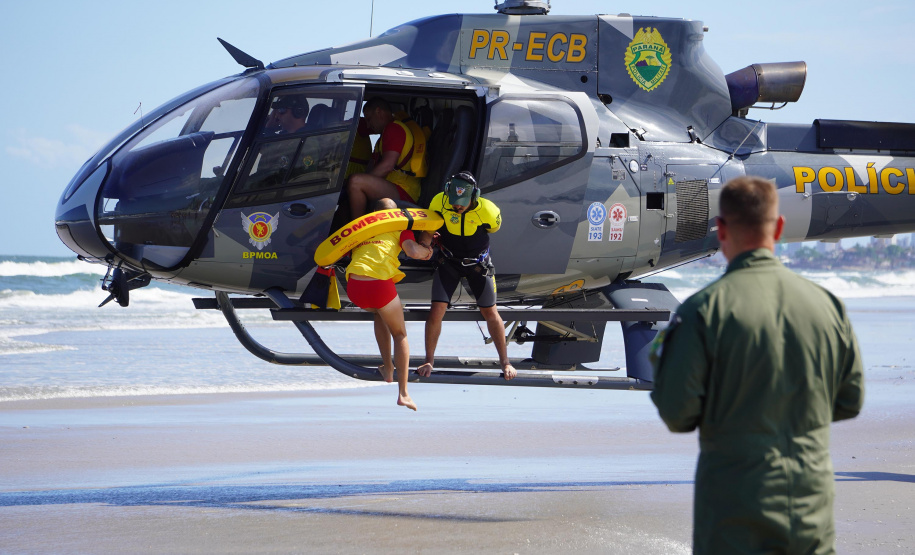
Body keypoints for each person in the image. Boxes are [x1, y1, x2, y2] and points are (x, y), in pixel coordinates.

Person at [650, 176, 864, 554]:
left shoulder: (704, 311)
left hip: (735, 512)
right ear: (779, 227)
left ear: (720, 229)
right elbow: (849, 401)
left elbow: (677, 413)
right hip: (810, 508)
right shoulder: (827, 306)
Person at [417, 172, 517, 381]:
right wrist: (425, 245)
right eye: (454, 202)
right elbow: (428, 228)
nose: (457, 206)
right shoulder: (439, 201)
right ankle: (429, 360)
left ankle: (506, 361)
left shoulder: (488, 210)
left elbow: (493, 229)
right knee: (436, 310)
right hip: (449, 262)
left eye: (462, 203)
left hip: (478, 265)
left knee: (490, 312)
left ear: (475, 196)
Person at [345, 198, 434, 411]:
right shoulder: (399, 228)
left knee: (379, 313)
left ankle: (388, 368)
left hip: (354, 287)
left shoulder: (363, 228)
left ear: (375, 212)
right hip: (378, 285)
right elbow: (413, 251)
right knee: (400, 334)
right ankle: (403, 393)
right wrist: (427, 252)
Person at [345, 97, 423, 218]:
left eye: (369, 119)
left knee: (355, 182)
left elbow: (387, 166)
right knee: (350, 186)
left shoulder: (394, 128)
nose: (368, 125)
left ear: (378, 112)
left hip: (404, 190)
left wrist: (364, 182)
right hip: (392, 186)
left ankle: (356, 229)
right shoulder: (382, 137)